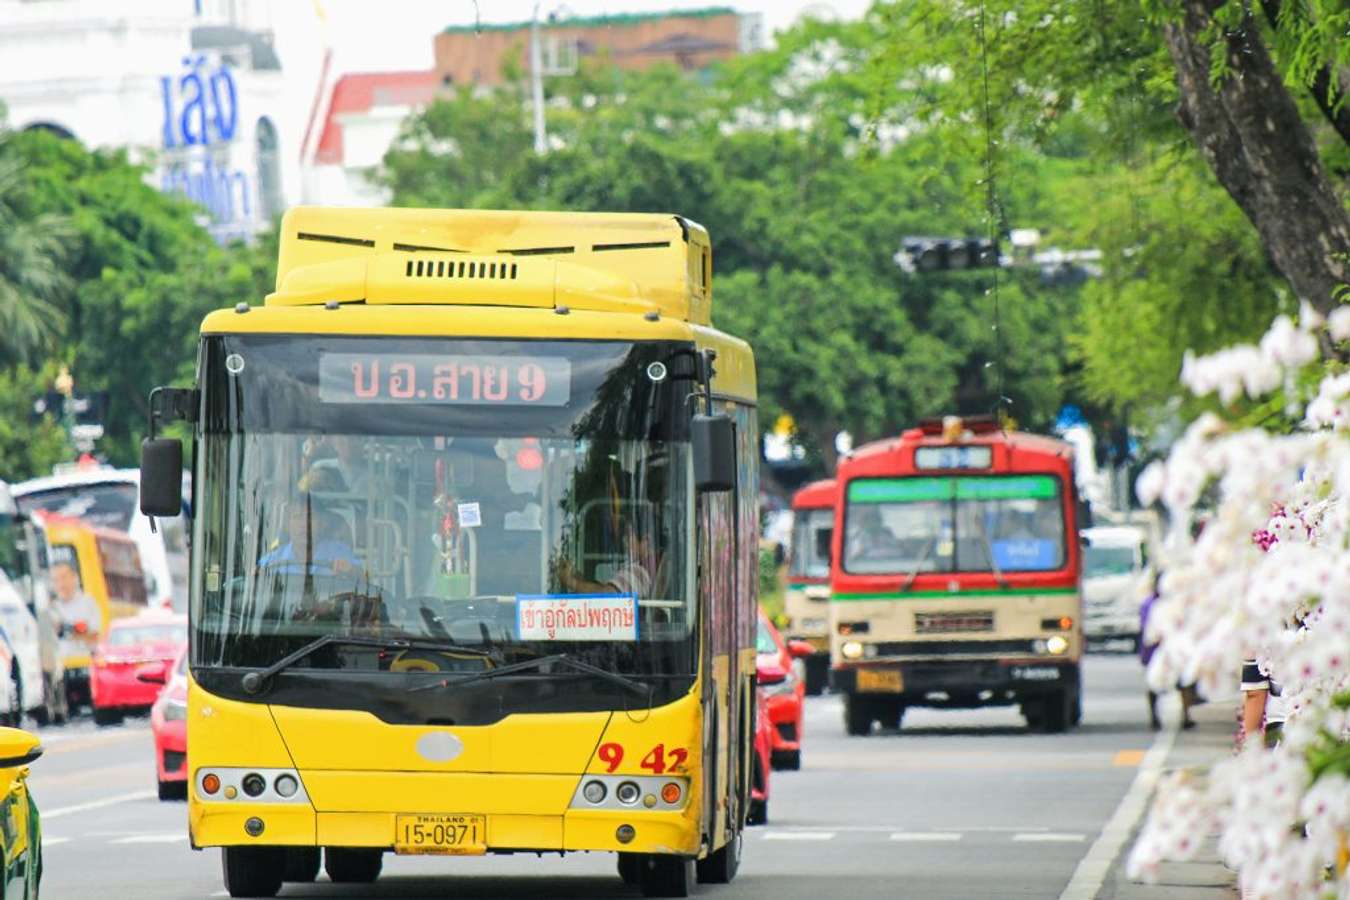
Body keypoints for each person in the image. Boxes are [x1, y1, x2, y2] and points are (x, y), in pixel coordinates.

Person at [1139, 576, 1197, 731]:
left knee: (1173, 682)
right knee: (1173, 682)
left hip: (1170, 649)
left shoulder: (1163, 605)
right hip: (1168, 650)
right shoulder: (1154, 605)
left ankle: (1178, 715)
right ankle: (1178, 715)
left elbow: (1150, 634)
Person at [258, 499, 360, 576]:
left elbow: (364, 582)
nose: (304, 524)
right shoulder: (273, 560)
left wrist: (351, 570)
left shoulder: (339, 552)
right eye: (297, 517)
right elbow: (254, 580)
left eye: (310, 517)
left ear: (321, 524)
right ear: (287, 525)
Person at [51, 561, 100, 649]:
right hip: (61, 661)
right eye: (56, 580)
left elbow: (95, 636)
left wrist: (66, 630)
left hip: (84, 660)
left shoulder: (87, 602)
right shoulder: (51, 608)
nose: (61, 584)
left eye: (64, 577)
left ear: (74, 577)